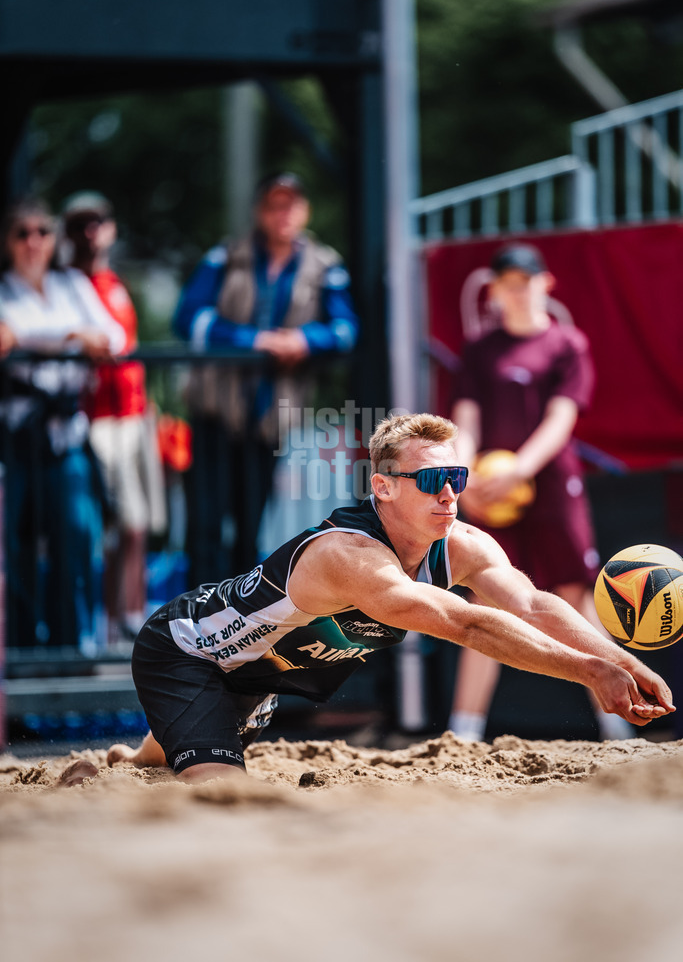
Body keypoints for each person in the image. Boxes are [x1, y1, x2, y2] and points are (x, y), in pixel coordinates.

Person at [107, 412, 673, 783]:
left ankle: (117, 766)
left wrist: (622, 661)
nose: (449, 493)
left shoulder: (462, 541)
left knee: (155, 764)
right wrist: (589, 673)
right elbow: (468, 625)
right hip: (189, 651)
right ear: (382, 486)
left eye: (456, 475)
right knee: (222, 792)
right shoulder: (349, 557)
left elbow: (532, 605)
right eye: (430, 480)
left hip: (259, 674)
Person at [447, 242, 627, 741]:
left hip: (548, 482)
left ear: (545, 284)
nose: (517, 290)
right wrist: (463, 479)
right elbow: (466, 419)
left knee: (574, 594)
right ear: (495, 290)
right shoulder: (481, 349)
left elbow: (562, 418)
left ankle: (620, 725)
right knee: (485, 600)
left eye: (525, 280)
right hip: (488, 489)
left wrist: (520, 469)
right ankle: (463, 733)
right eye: (507, 282)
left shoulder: (568, 344)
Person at [173, 172, 359, 583]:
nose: (283, 213)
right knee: (203, 527)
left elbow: (346, 329)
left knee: (250, 529)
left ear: (305, 210)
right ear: (260, 211)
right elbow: (188, 318)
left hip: (268, 420)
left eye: (291, 204)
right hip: (214, 411)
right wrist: (254, 341)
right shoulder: (226, 255)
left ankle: (237, 631)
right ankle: (191, 635)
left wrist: (304, 340)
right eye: (275, 204)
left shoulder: (325, 264)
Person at [0, 197, 126, 652]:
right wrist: (73, 334)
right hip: (17, 436)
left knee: (75, 535)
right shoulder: (6, 288)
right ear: (9, 242)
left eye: (42, 232)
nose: (33, 242)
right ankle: (22, 652)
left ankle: (71, 650)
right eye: (22, 233)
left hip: (67, 431)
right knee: (15, 548)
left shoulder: (71, 283)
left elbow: (113, 337)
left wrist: (37, 335)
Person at [62, 191, 166, 642]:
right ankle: (108, 625)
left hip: (133, 413)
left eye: (98, 221)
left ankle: (132, 616)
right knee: (113, 527)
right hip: (96, 417)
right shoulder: (67, 286)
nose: (91, 231)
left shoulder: (115, 282)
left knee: (140, 525)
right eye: (81, 223)